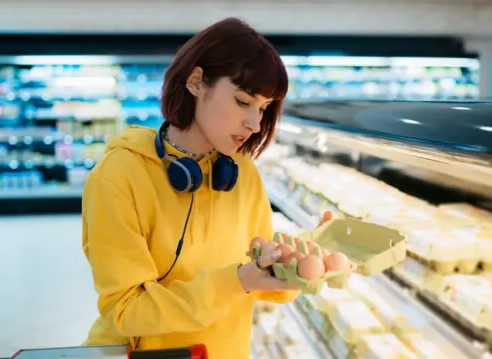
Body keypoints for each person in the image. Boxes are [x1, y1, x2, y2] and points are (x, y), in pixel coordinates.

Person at [81, 17, 330, 359]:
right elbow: (126, 311)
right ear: (196, 82)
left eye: (264, 108)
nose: (255, 124)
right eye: (244, 101)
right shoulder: (118, 176)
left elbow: (262, 281)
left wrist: (296, 264)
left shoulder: (242, 171)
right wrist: (238, 281)